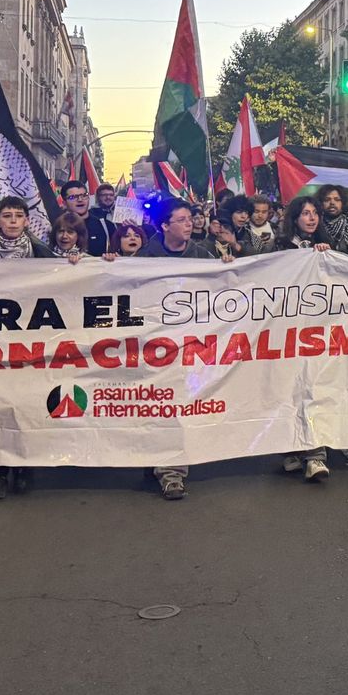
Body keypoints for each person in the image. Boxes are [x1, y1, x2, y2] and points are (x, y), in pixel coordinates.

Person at [0, 197, 56, 499]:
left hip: (30, 343)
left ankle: (24, 466)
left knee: (27, 405)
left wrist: (71, 265)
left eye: (19, 215)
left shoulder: (44, 255)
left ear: (28, 221)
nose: (14, 221)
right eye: (7, 216)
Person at [139, 200, 213, 500]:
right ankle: (168, 470)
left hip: (192, 345)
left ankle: (169, 467)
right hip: (157, 347)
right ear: (165, 226)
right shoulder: (143, 259)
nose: (189, 224)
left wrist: (229, 268)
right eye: (181, 220)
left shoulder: (202, 255)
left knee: (181, 404)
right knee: (163, 406)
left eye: (190, 219)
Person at [278, 196, 335, 481]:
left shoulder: (328, 248)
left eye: (315, 213)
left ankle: (315, 454)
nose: (311, 218)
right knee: (289, 391)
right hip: (286, 333)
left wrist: (325, 256)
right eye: (305, 213)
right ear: (295, 218)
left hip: (317, 332)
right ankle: (290, 448)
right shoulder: (280, 247)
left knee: (314, 391)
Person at [61, 180, 112, 256]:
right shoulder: (57, 226)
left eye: (84, 195)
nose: (80, 200)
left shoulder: (105, 225)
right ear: (64, 203)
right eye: (73, 197)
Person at [317, 184, 348, 257]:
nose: (332, 203)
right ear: (321, 203)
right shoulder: (315, 225)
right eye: (327, 199)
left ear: (343, 203)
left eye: (337, 199)